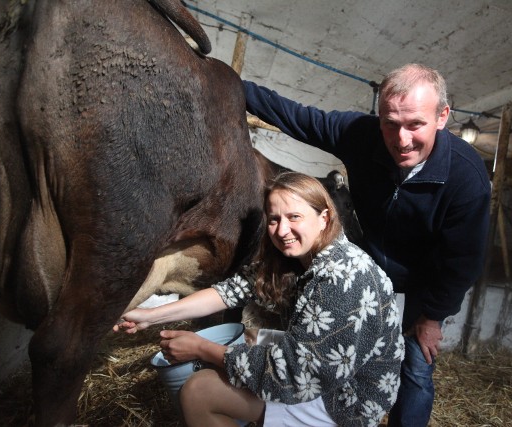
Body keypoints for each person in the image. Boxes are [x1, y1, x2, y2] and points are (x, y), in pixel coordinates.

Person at [243, 63, 491, 426]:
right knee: (343, 349)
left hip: (426, 277)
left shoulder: (467, 178)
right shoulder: (361, 135)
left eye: (415, 124)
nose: (401, 139)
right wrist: (233, 86)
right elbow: (298, 117)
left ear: (443, 116)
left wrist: (433, 316)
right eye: (390, 122)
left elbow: (464, 260)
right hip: (369, 261)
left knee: (415, 365)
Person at [115, 171, 404, 427]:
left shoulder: (344, 278)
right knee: (254, 338)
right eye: (274, 219)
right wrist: (150, 316)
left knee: (198, 392)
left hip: (344, 402)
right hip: (320, 372)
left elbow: (295, 377)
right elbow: (228, 292)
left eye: (294, 217)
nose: (282, 230)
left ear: (324, 217)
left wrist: (202, 348)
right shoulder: (298, 258)